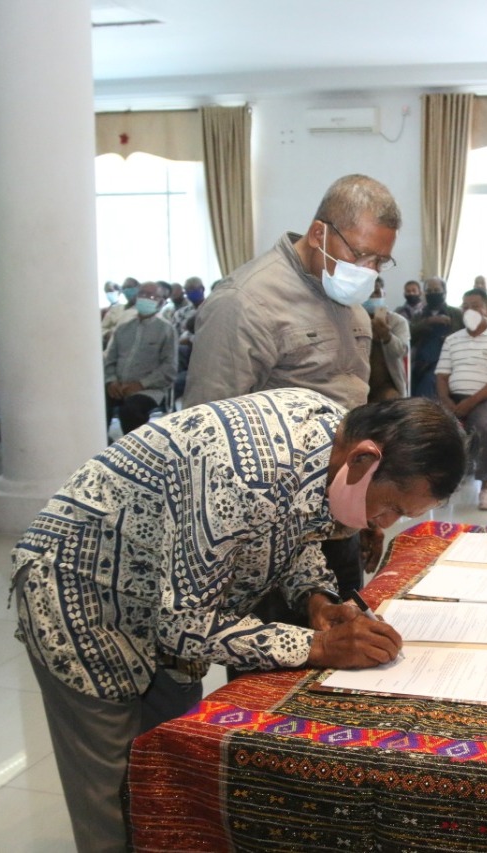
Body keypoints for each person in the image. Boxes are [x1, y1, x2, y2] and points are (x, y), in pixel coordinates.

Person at [11, 390, 467, 853]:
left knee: (167, 774)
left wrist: (316, 597)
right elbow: (186, 626)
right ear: (364, 459)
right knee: (112, 793)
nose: (383, 523)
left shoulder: (337, 439)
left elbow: (286, 530)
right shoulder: (240, 473)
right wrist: (320, 648)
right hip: (83, 595)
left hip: (162, 598)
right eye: (389, 506)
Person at [183, 173, 401, 597]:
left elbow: (352, 413)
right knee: (277, 658)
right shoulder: (246, 301)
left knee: (343, 648)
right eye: (360, 254)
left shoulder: (350, 306)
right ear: (319, 233)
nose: (368, 272)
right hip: (268, 535)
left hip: (336, 521)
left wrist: (365, 512)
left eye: (380, 261)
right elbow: (205, 439)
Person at [436, 288, 487, 511]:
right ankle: (443, 485)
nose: (470, 311)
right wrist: (447, 402)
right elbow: (442, 376)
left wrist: (470, 403)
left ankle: (486, 487)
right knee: (431, 424)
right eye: (466, 306)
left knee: (481, 426)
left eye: (476, 306)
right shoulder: (452, 340)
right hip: (454, 398)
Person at [104, 281, 176, 437]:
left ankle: (137, 453)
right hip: (118, 385)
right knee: (97, 402)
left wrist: (140, 385)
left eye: (151, 296)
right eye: (142, 294)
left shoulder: (166, 330)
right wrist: (111, 381)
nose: (145, 298)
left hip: (149, 389)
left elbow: (169, 368)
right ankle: (101, 444)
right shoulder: (123, 328)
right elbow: (110, 360)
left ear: (161, 301)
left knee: (130, 410)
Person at [409, 276, 463, 400]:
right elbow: (408, 337)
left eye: (436, 290)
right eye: (430, 291)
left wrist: (451, 338)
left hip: (447, 363)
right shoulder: (419, 315)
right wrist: (428, 321)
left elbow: (466, 336)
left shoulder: (456, 313)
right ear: (424, 293)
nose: (433, 293)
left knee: (428, 386)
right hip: (420, 364)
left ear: (444, 292)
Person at [364, 276, 410, 401]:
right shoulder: (354, 320)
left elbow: (401, 352)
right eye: (368, 293)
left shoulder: (398, 321)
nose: (372, 297)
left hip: (387, 385)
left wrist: (387, 336)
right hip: (359, 383)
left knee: (392, 402)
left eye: (377, 292)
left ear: (384, 293)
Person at [102, 276, 139, 345]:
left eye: (130, 287)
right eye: (125, 288)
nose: (127, 290)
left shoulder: (142, 311)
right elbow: (102, 328)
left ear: (137, 289)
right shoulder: (115, 309)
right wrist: (107, 334)